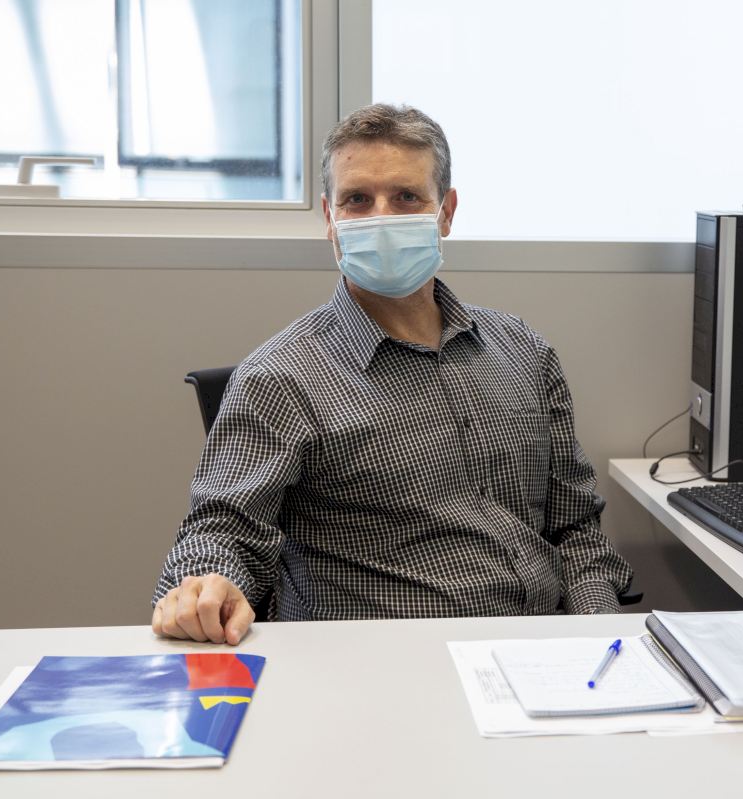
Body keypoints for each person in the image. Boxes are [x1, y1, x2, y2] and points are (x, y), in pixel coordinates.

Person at [151, 104, 633, 645]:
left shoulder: (523, 351)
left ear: (446, 212)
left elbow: (575, 528)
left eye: (406, 197)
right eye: (358, 200)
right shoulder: (279, 378)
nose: (381, 218)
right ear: (330, 218)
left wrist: (600, 633)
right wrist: (205, 586)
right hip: (383, 666)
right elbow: (222, 531)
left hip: (545, 654)